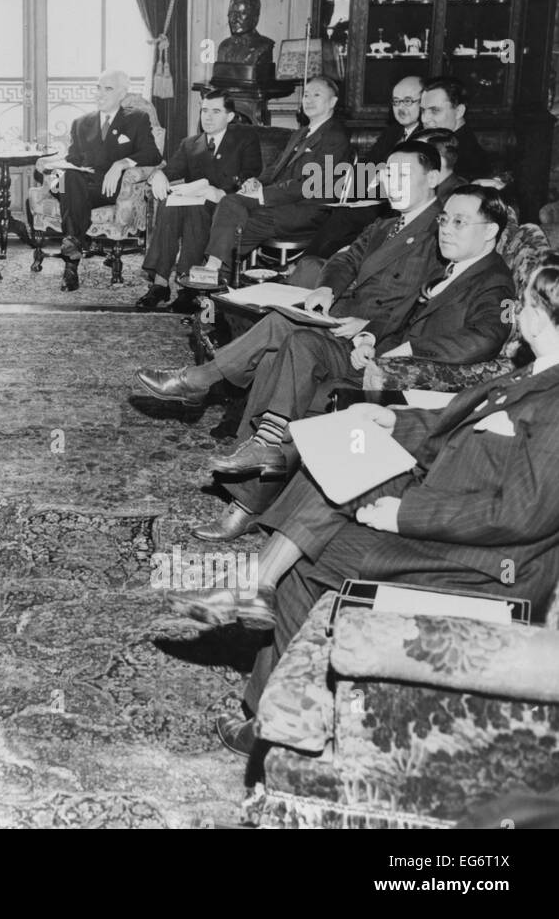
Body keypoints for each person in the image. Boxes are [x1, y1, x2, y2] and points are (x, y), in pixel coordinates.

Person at [213, 251, 559, 757]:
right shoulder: (532, 372)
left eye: (525, 304)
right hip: (450, 502)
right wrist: (396, 422)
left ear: (545, 317)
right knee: (343, 452)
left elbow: (522, 514)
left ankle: (278, 717)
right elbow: (460, 426)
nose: (517, 314)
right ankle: (259, 589)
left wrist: (403, 514)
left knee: (312, 562)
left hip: (484, 563)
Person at [166, 184, 515, 630]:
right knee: (295, 344)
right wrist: (371, 336)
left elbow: (483, 338)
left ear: (491, 231)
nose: (445, 228)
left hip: (404, 385)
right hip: (375, 356)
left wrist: (405, 352)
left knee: (296, 379)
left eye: (459, 222)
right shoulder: (449, 265)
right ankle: (261, 459)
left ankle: (253, 500)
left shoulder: (492, 280)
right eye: (444, 219)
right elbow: (398, 310)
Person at [137, 142, 468, 536]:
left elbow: (426, 304)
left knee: (286, 336)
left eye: (403, 175)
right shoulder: (386, 223)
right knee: (277, 343)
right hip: (343, 320)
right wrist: (327, 288)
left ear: (433, 177)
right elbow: (346, 258)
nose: (390, 184)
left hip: (376, 345)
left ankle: (201, 384)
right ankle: (247, 490)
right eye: (386, 174)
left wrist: (369, 327)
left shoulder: (441, 231)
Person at [186, 76, 353, 283]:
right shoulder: (300, 133)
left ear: (333, 102)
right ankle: (216, 274)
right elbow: (275, 168)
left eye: (316, 95)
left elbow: (309, 184)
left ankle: (213, 274)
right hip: (281, 202)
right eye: (306, 95)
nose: (308, 100)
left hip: (306, 209)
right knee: (230, 206)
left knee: (233, 225)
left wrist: (263, 195)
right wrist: (257, 182)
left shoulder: (335, 137)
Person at [138, 90, 261, 313]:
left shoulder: (244, 139)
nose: (208, 117)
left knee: (195, 209)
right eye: (204, 111)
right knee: (168, 204)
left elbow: (251, 173)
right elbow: (172, 170)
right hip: (196, 203)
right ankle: (160, 283)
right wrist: (159, 175)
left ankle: (189, 287)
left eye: (216, 111)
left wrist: (222, 191)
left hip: (226, 206)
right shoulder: (190, 144)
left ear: (230, 116)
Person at [52, 68, 162, 292]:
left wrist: (121, 164)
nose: (100, 94)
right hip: (80, 186)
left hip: (112, 189)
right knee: (66, 179)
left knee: (69, 189)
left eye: (108, 89)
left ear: (122, 93)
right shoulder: (81, 123)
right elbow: (71, 159)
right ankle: (73, 248)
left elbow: (153, 154)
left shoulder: (137, 119)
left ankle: (71, 259)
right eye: (98, 88)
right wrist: (54, 171)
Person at [299, 76, 424, 260]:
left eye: (407, 101)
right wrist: (349, 192)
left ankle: (306, 264)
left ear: (423, 102)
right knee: (339, 212)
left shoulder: (424, 137)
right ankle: (311, 265)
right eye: (396, 102)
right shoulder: (393, 131)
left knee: (345, 219)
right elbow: (368, 167)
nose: (401, 108)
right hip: (373, 199)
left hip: (394, 207)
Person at [419, 76, 491, 181]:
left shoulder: (465, 159)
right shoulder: (446, 145)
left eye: (434, 111)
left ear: (459, 111)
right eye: (422, 110)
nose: (424, 119)